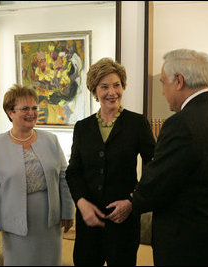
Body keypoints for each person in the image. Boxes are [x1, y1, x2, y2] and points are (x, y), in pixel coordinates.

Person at [132, 49, 208, 265]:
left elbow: (158, 183)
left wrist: (131, 202)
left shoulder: (180, 124)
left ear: (178, 81)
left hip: (186, 246)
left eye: (163, 82)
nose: (162, 91)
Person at [65, 58, 156, 266]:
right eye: (104, 87)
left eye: (117, 85)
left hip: (123, 222)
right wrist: (81, 203)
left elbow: (154, 166)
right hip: (89, 224)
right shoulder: (82, 127)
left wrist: (133, 201)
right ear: (94, 90)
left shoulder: (137, 123)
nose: (112, 92)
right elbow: (73, 171)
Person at [0, 84, 74, 266]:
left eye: (34, 108)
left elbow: (64, 177)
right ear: (10, 112)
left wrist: (68, 212)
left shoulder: (50, 139)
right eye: (25, 109)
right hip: (15, 227)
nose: (31, 113)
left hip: (49, 224)